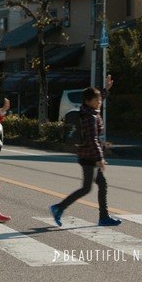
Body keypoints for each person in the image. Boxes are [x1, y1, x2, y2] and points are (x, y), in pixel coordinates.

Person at [50, 75, 122, 227]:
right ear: (88, 102)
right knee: (86, 188)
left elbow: (98, 97)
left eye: (100, 100)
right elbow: (92, 139)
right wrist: (99, 158)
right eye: (96, 100)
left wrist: (105, 90)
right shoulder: (90, 117)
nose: (99, 102)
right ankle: (59, 208)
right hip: (89, 157)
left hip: (88, 156)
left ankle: (104, 217)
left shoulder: (89, 111)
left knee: (102, 185)